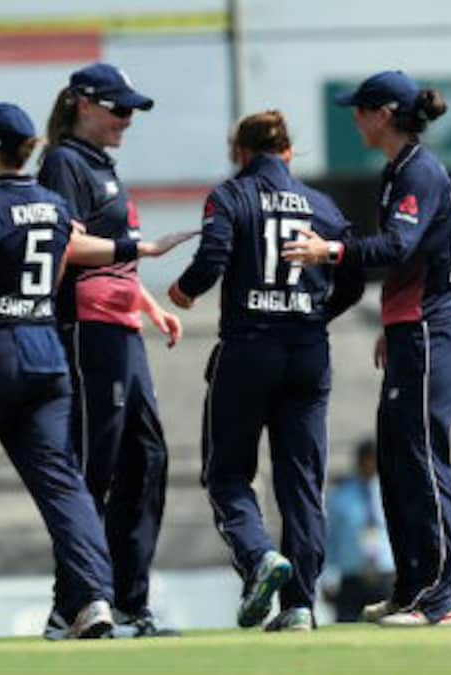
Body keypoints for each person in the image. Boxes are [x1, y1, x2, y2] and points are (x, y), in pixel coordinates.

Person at [0, 102, 187, 645]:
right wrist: (133, 246)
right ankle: (92, 597)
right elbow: (75, 248)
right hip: (47, 355)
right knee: (64, 487)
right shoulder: (51, 203)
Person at [282, 70, 451, 628]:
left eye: (360, 111)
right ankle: (412, 588)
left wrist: (328, 251)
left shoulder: (419, 172)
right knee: (396, 461)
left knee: (422, 463)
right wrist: (393, 320)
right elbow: (412, 258)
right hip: (414, 330)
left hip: (431, 335)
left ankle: (439, 597)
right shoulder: (401, 172)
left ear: (382, 114)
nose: (354, 120)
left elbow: (397, 246)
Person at [168, 110, 364, 631]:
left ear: (241, 153)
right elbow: (355, 274)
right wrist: (320, 311)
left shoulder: (230, 195)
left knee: (228, 472)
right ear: (289, 153)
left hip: (250, 348)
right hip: (307, 350)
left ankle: (259, 557)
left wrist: (184, 289)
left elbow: (213, 255)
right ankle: (300, 604)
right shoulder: (321, 205)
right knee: (301, 483)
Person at [37, 63, 190, 638]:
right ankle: (75, 602)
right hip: (85, 330)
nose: (128, 119)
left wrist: (151, 307)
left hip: (121, 327)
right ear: (83, 104)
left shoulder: (102, 166)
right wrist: (138, 246)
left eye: (132, 110)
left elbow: (114, 261)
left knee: (146, 460)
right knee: (91, 465)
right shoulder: (63, 162)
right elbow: (62, 242)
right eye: (118, 108)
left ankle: (128, 602)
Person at [323, 440, 395, 623]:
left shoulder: (393, 491)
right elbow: (332, 538)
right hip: (353, 575)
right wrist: (327, 576)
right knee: (346, 624)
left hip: (386, 573)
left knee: (390, 626)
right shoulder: (341, 494)